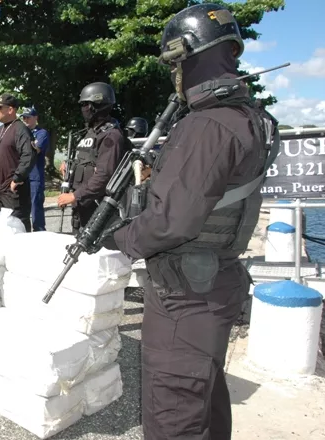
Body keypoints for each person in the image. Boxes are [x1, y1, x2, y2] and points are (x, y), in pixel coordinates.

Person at [106, 4, 278, 438]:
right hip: (213, 284)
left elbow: (170, 222)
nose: (173, 74)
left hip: (186, 296)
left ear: (188, 56)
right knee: (206, 403)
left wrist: (120, 237)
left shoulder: (206, 125)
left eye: (174, 63)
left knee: (175, 416)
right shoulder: (250, 117)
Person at [57, 82, 128, 233]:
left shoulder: (111, 136)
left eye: (85, 104)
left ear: (97, 105)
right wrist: (70, 166)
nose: (83, 109)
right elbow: (86, 160)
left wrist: (75, 195)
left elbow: (104, 175)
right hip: (82, 207)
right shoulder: (91, 132)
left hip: (97, 207)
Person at [0, 94, 37, 232]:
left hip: (13, 190)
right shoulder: (0, 131)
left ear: (10, 110)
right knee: (3, 227)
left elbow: (29, 155)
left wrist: (17, 178)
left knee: (17, 226)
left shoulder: (21, 129)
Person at [21, 107, 50, 232]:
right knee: (22, 209)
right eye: (24, 117)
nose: (26, 119)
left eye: (28, 117)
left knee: (36, 208)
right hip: (23, 177)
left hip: (35, 177)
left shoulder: (42, 133)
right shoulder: (21, 133)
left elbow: (36, 150)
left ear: (36, 118)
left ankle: (40, 234)